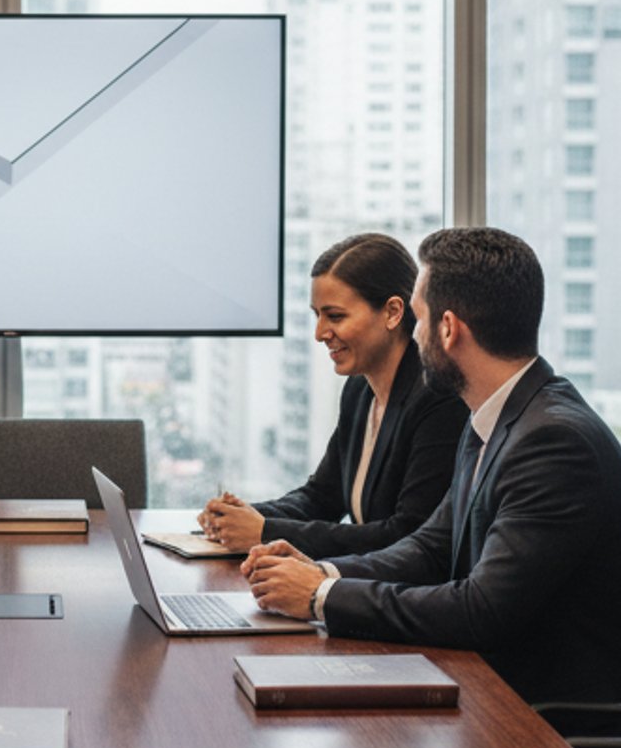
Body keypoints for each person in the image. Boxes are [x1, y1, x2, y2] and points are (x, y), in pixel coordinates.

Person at [242, 226, 621, 748]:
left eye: (419, 319)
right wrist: (323, 572)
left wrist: (321, 597)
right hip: (516, 711)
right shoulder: (498, 416)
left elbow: (481, 609)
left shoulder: (553, 441)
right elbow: (432, 545)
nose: (416, 335)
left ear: (449, 329)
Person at [197, 233, 466, 560]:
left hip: (402, 598)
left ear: (393, 312)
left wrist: (266, 531)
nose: (320, 333)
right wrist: (242, 516)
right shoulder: (359, 390)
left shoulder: (438, 398)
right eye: (317, 315)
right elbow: (321, 498)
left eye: (335, 316)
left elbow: (407, 534)